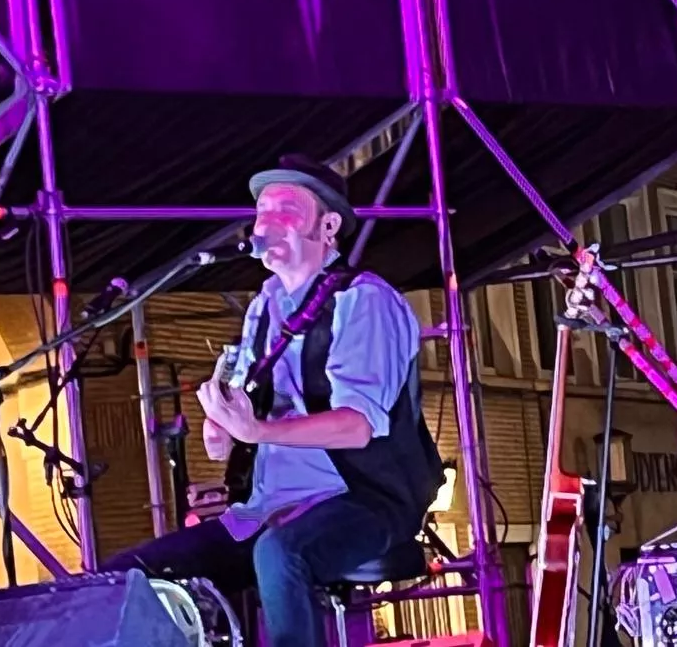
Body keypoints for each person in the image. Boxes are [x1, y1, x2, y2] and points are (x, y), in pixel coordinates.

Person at [105, 154, 443, 647]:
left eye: (285, 208)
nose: (266, 221)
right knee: (127, 576)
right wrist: (221, 427)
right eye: (262, 210)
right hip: (263, 509)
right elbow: (231, 433)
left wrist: (259, 432)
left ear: (328, 227)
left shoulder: (365, 300)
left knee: (280, 554)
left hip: (365, 501)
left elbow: (358, 425)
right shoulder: (263, 307)